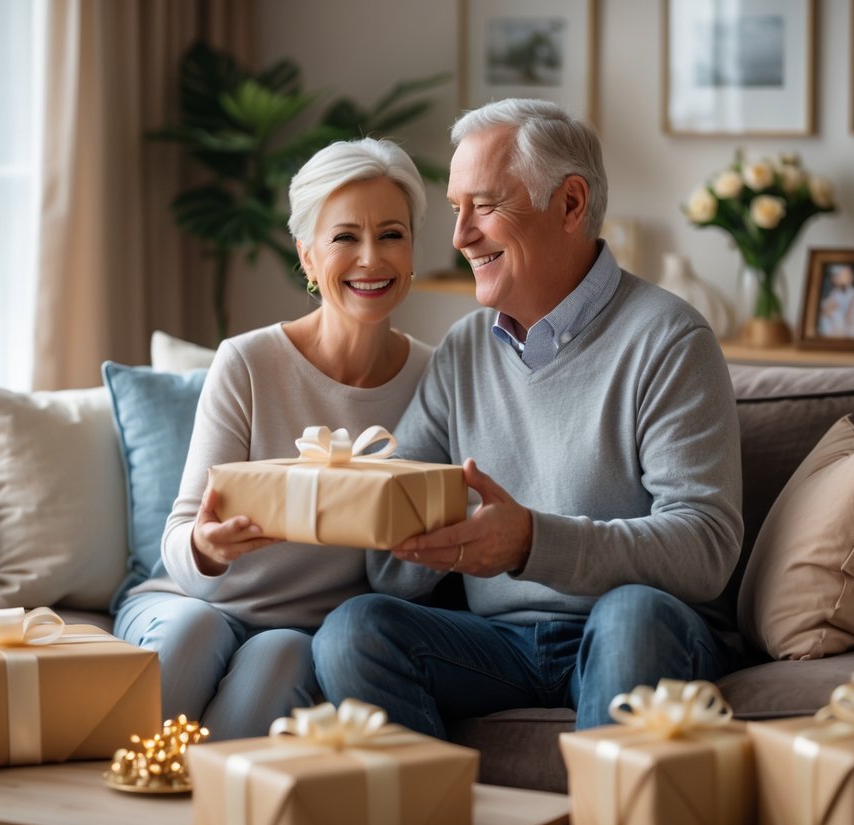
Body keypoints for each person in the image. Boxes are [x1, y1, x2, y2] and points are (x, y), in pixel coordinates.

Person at [312, 98, 744, 735]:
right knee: (354, 630)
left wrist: (532, 543)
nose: (460, 237)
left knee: (629, 618)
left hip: (639, 630)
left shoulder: (669, 339)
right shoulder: (463, 350)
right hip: (496, 644)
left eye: (483, 207)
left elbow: (706, 547)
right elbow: (391, 570)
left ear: (570, 204)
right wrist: (396, 522)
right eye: (457, 210)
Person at [113, 138, 433, 739]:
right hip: (192, 600)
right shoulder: (249, 362)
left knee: (281, 655)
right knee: (195, 633)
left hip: (305, 629)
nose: (371, 258)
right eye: (345, 238)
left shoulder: (435, 380)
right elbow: (182, 538)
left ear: (413, 250)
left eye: (392, 234)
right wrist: (209, 548)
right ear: (308, 256)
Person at [817, 264, 854, 338]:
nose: (847, 277)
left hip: (850, 332)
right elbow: (826, 313)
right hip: (834, 331)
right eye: (843, 275)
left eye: (848, 275)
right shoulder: (832, 295)